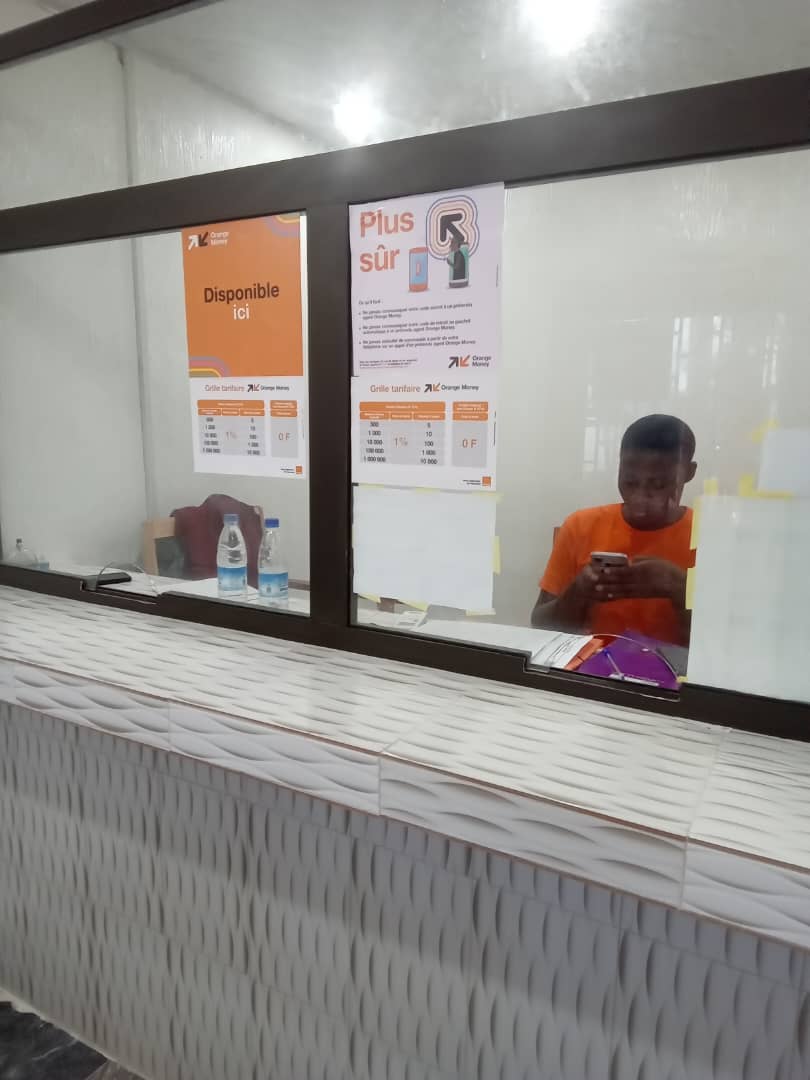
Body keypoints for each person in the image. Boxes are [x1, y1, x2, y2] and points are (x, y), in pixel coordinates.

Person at [531, 414, 697, 645]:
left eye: (658, 485)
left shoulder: (710, 536)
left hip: (674, 669)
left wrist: (680, 589)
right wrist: (578, 593)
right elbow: (539, 626)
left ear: (689, 473)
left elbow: (725, 646)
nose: (640, 498)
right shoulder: (581, 526)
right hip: (593, 666)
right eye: (630, 482)